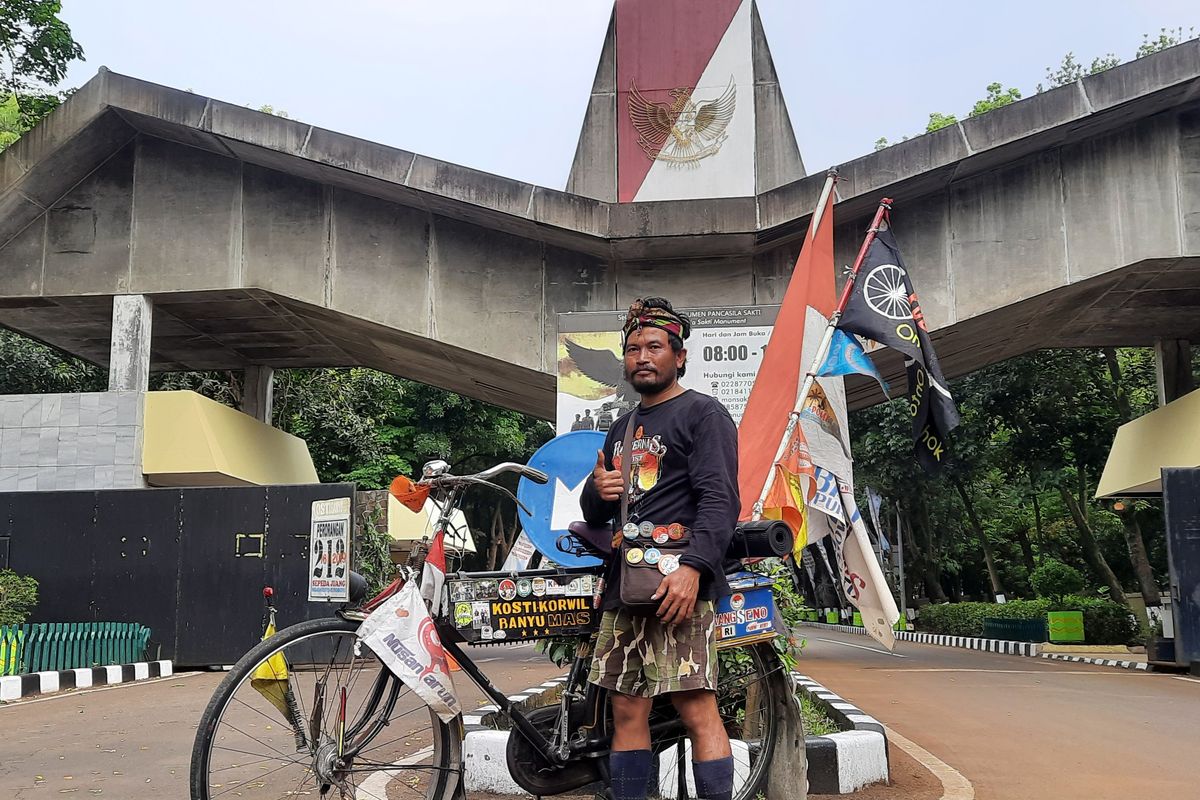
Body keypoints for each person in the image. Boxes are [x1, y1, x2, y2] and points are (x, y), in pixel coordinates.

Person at [580, 297, 739, 800]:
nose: (641, 357)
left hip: (679, 585)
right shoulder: (622, 427)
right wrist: (596, 491)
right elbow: (598, 511)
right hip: (626, 587)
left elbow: (721, 499)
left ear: (679, 356)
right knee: (626, 708)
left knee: (695, 706)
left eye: (654, 346)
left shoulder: (703, 414)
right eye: (632, 349)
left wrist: (693, 567)